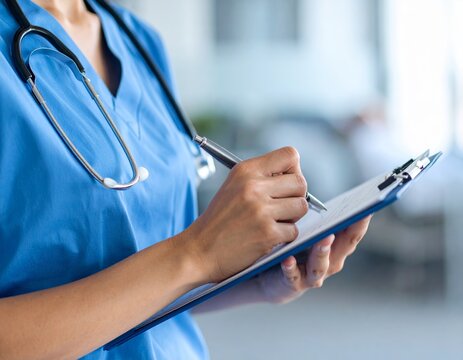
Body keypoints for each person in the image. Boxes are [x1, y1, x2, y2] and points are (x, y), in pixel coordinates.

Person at [0, 0, 371, 359]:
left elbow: (153, 275)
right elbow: (184, 257)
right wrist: (197, 252)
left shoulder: (137, 39)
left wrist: (253, 273)